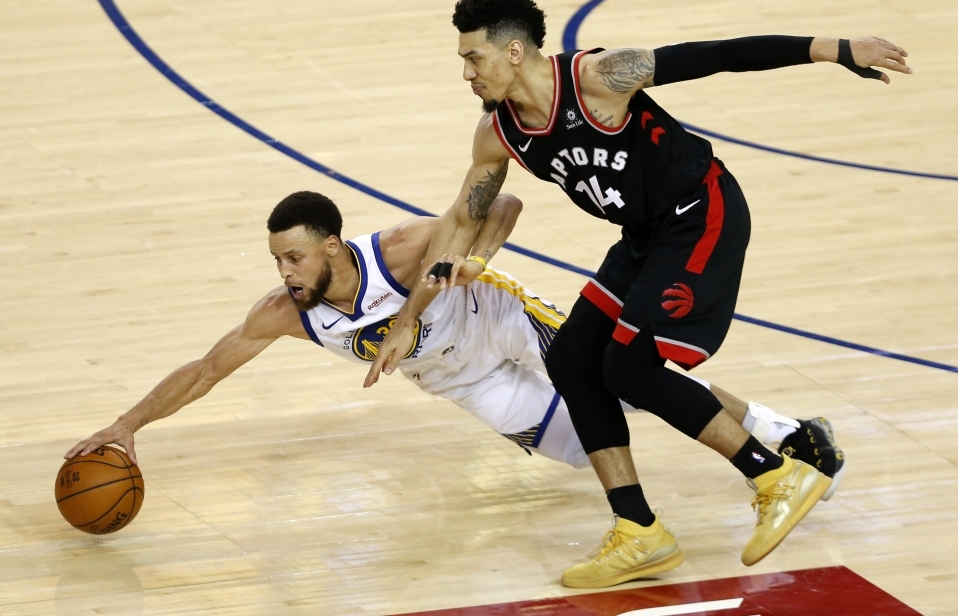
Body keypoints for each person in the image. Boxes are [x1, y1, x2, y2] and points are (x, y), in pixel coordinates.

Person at [366, 0, 907, 588]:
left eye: (474, 58)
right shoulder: (500, 133)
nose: (466, 72)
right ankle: (639, 530)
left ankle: (774, 474)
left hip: (702, 212)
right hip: (645, 235)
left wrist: (838, 48)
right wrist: (411, 316)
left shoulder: (598, 77)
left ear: (514, 51)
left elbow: (717, 54)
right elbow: (462, 220)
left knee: (631, 366)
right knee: (573, 360)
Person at [65, 191, 837, 494]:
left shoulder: (399, 250)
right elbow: (206, 369)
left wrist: (469, 265)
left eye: (294, 256)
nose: (285, 271)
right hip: (465, 384)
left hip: (503, 322)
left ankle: (784, 435)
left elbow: (502, 203)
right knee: (581, 447)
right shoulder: (287, 310)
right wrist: (129, 425)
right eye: (277, 259)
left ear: (334, 246)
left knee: (626, 378)